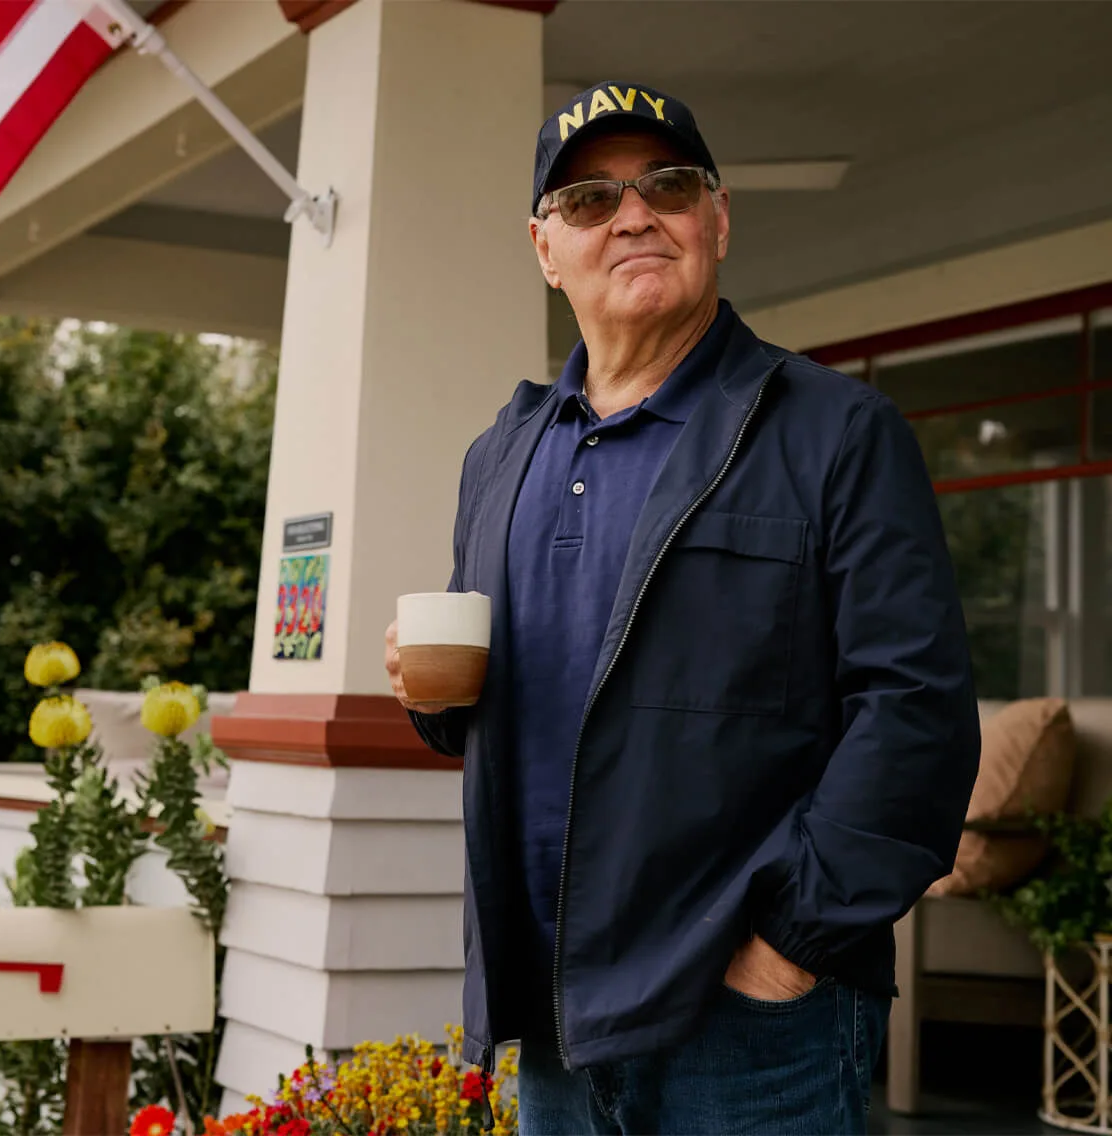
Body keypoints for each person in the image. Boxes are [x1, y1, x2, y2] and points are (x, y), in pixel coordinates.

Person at [383, 81, 981, 1135]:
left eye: (667, 184)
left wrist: (789, 945)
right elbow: (510, 713)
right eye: (586, 199)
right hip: (555, 1022)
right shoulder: (501, 455)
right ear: (543, 245)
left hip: (748, 1031)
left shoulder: (834, 431)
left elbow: (916, 709)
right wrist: (430, 697)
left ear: (717, 216)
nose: (631, 213)